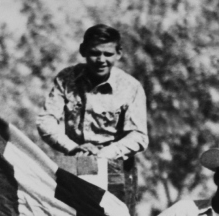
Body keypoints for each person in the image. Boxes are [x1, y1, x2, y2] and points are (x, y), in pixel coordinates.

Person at [36, 23, 147, 206]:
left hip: (115, 169)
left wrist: (103, 155)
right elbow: (45, 121)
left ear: (119, 54)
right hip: (75, 164)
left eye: (108, 54)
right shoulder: (67, 78)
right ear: (83, 51)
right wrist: (73, 148)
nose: (101, 60)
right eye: (95, 53)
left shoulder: (131, 87)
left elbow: (139, 136)